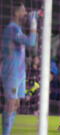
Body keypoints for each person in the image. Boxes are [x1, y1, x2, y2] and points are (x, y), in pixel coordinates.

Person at [1, 1, 38, 135]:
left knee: (15, 104)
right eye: (23, 11)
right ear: (16, 12)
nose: (25, 13)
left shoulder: (18, 29)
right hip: (11, 72)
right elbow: (31, 42)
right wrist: (33, 22)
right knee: (10, 104)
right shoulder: (12, 29)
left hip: (19, 73)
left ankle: (7, 132)